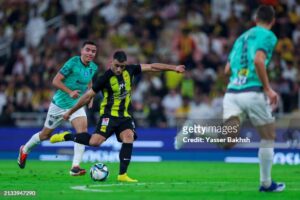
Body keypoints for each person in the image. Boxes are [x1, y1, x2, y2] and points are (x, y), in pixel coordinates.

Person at [50, 50, 185, 182]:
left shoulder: (130, 70)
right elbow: (87, 97)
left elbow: (152, 66)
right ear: (111, 63)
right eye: (117, 66)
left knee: (128, 137)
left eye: (122, 66)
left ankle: (122, 174)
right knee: (94, 142)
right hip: (108, 116)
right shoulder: (104, 78)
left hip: (124, 116)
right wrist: (70, 112)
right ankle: (67, 136)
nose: (119, 69)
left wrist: (174, 68)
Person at [222, 5, 285, 192]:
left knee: (228, 142)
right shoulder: (267, 36)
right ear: (272, 21)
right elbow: (258, 60)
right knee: (268, 137)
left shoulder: (240, 39)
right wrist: (268, 89)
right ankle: (266, 183)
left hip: (232, 93)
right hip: (252, 92)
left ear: (255, 19)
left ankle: (194, 129)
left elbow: (227, 70)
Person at [18, 41, 98, 176]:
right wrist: (69, 92)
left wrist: (90, 97)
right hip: (59, 104)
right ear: (82, 51)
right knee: (45, 135)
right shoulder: (73, 62)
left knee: (82, 132)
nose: (90, 53)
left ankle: (75, 167)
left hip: (76, 105)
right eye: (88, 50)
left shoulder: (93, 67)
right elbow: (55, 80)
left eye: (93, 51)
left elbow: (90, 82)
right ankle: (24, 149)